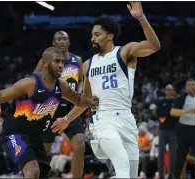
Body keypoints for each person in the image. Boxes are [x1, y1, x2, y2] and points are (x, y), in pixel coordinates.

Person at [51, 2, 161, 178]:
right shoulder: (88, 65)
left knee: (130, 175)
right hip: (102, 120)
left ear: (110, 36)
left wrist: (141, 17)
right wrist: (66, 119)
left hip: (127, 120)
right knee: (122, 165)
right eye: (92, 35)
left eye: (97, 34)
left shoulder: (125, 52)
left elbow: (154, 46)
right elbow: (85, 100)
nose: (93, 38)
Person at [0, 47, 98, 179]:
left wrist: (95, 97)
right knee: (32, 171)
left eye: (62, 62)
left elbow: (80, 100)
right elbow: (1, 95)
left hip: (36, 139)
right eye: (56, 62)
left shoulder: (62, 86)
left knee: (41, 174)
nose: (61, 65)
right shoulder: (30, 84)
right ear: (45, 63)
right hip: (15, 134)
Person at [34, 31, 85, 178]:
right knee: (45, 150)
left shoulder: (78, 60)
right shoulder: (45, 61)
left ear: (69, 42)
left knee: (80, 144)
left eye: (64, 39)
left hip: (70, 110)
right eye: (58, 39)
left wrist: (79, 93)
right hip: (50, 109)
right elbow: (34, 80)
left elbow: (81, 80)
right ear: (53, 43)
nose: (62, 41)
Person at [170, 78, 195, 179]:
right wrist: (188, 111)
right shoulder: (182, 98)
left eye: (193, 84)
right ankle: (176, 176)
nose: (191, 86)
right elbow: (173, 112)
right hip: (183, 130)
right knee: (180, 157)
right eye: (189, 85)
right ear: (186, 87)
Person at [156, 84, 178, 179]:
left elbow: (177, 115)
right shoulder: (160, 102)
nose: (169, 91)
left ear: (173, 91)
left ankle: (171, 175)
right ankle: (161, 175)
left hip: (174, 131)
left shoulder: (176, 102)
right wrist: (170, 113)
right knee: (161, 152)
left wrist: (167, 113)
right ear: (165, 91)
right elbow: (159, 114)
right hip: (163, 131)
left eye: (171, 90)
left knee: (173, 154)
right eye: (167, 90)